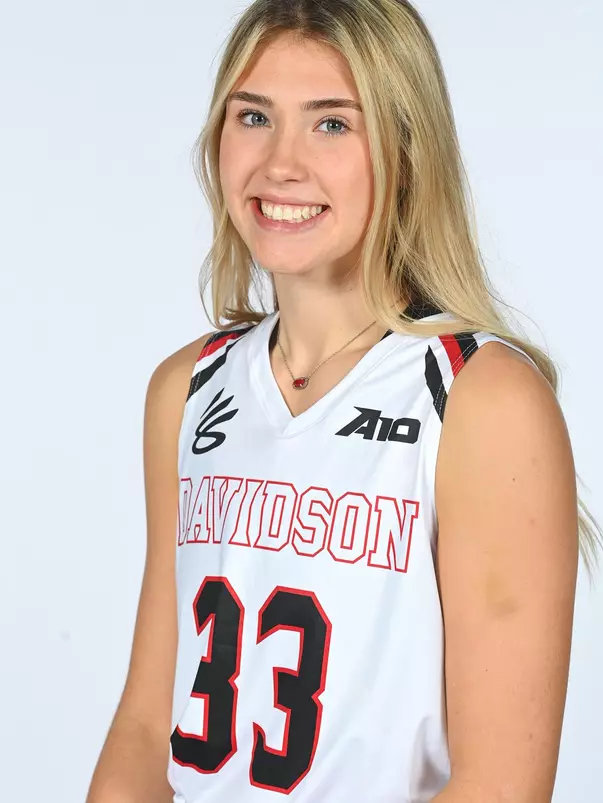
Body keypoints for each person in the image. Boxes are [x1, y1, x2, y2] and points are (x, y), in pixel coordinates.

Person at [86, 1, 601, 802]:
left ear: (406, 149)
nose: (280, 164)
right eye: (253, 116)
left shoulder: (481, 401)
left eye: (332, 125)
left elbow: (500, 782)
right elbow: (146, 727)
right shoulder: (185, 390)